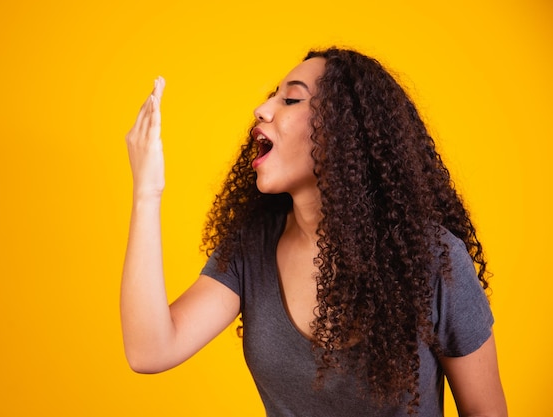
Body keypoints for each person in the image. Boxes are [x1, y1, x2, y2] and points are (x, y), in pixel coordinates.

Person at [121, 47, 507, 416]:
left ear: (345, 130)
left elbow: (484, 410)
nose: (260, 110)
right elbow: (150, 351)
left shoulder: (432, 258)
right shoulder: (251, 247)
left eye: (290, 101)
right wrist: (146, 193)